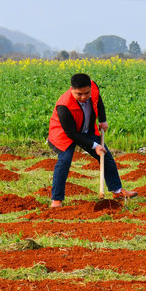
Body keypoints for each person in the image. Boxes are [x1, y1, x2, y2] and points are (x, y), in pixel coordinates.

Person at [46, 72, 138, 207]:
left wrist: (103, 120)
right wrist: (94, 145)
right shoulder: (63, 106)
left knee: (106, 157)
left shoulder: (93, 89)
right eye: (79, 94)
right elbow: (71, 133)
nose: (83, 97)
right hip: (64, 134)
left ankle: (117, 190)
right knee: (64, 161)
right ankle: (57, 199)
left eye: (86, 93)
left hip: (86, 129)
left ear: (90, 88)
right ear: (72, 90)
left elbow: (98, 101)